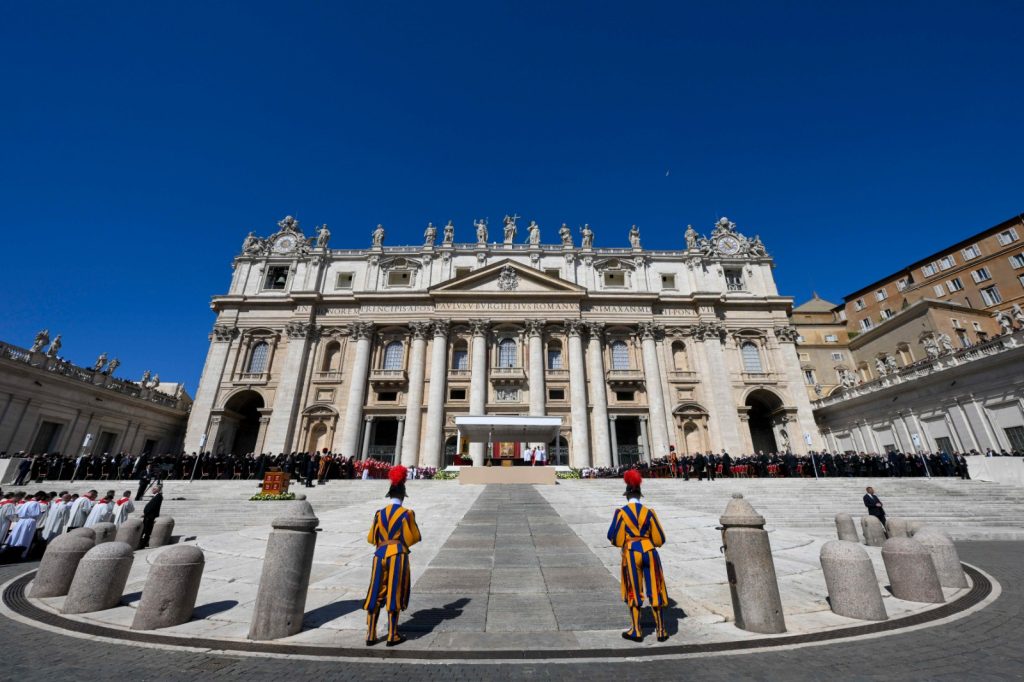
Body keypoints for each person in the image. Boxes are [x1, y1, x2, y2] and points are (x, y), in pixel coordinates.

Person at [607, 469, 669, 642]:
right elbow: (660, 538)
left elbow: (615, 537)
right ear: (640, 495)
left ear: (627, 495)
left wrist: (626, 542)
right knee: (655, 588)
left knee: (634, 590)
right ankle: (662, 630)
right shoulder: (649, 512)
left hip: (632, 553)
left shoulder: (621, 513)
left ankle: (636, 630)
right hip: (650, 551)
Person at [362, 465, 421, 647]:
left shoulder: (379, 514)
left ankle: (370, 635)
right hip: (398, 554)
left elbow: (372, 537)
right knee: (395, 592)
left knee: (375, 592)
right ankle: (392, 635)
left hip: (379, 555)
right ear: (403, 496)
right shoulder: (407, 513)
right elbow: (413, 537)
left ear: (389, 495)